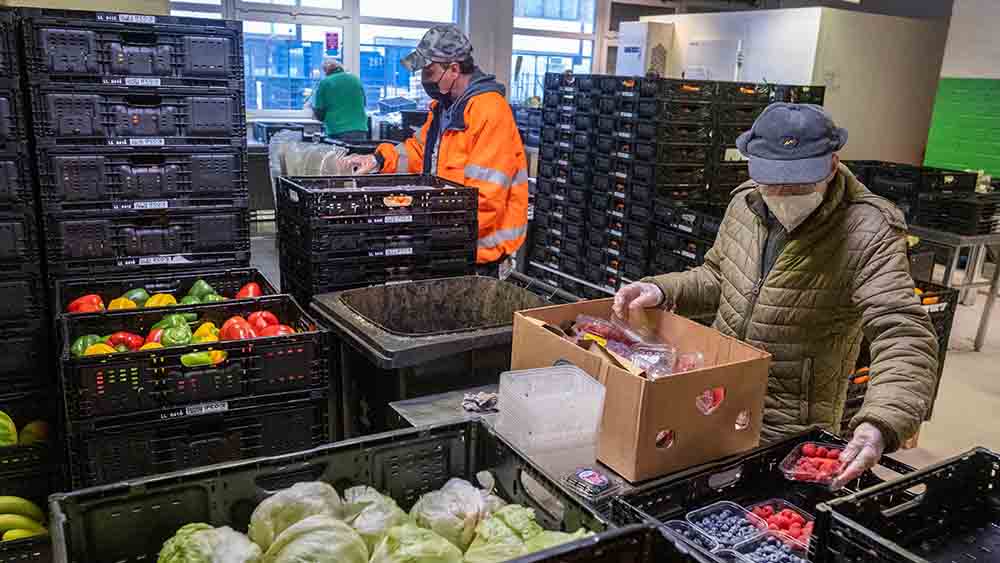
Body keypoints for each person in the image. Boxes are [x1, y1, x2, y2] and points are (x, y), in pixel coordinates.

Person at [613, 103, 939, 489]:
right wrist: (661, 289)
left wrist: (882, 421)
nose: (782, 194)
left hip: (791, 422)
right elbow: (719, 277)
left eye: (799, 184)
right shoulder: (746, 204)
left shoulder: (868, 230)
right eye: (771, 181)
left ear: (833, 164)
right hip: (719, 396)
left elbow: (902, 332)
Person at [349, 24, 529, 273]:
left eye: (430, 71)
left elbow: (485, 199)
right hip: (447, 245)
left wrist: (431, 232)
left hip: (478, 254)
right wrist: (378, 160)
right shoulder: (445, 109)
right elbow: (419, 152)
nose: (424, 79)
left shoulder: (490, 112)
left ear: (453, 69)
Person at [312, 58, 368, 141]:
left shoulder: (325, 82)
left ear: (326, 71)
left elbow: (319, 113)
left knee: (340, 154)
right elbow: (364, 104)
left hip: (337, 130)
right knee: (356, 154)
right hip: (360, 129)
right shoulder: (356, 79)